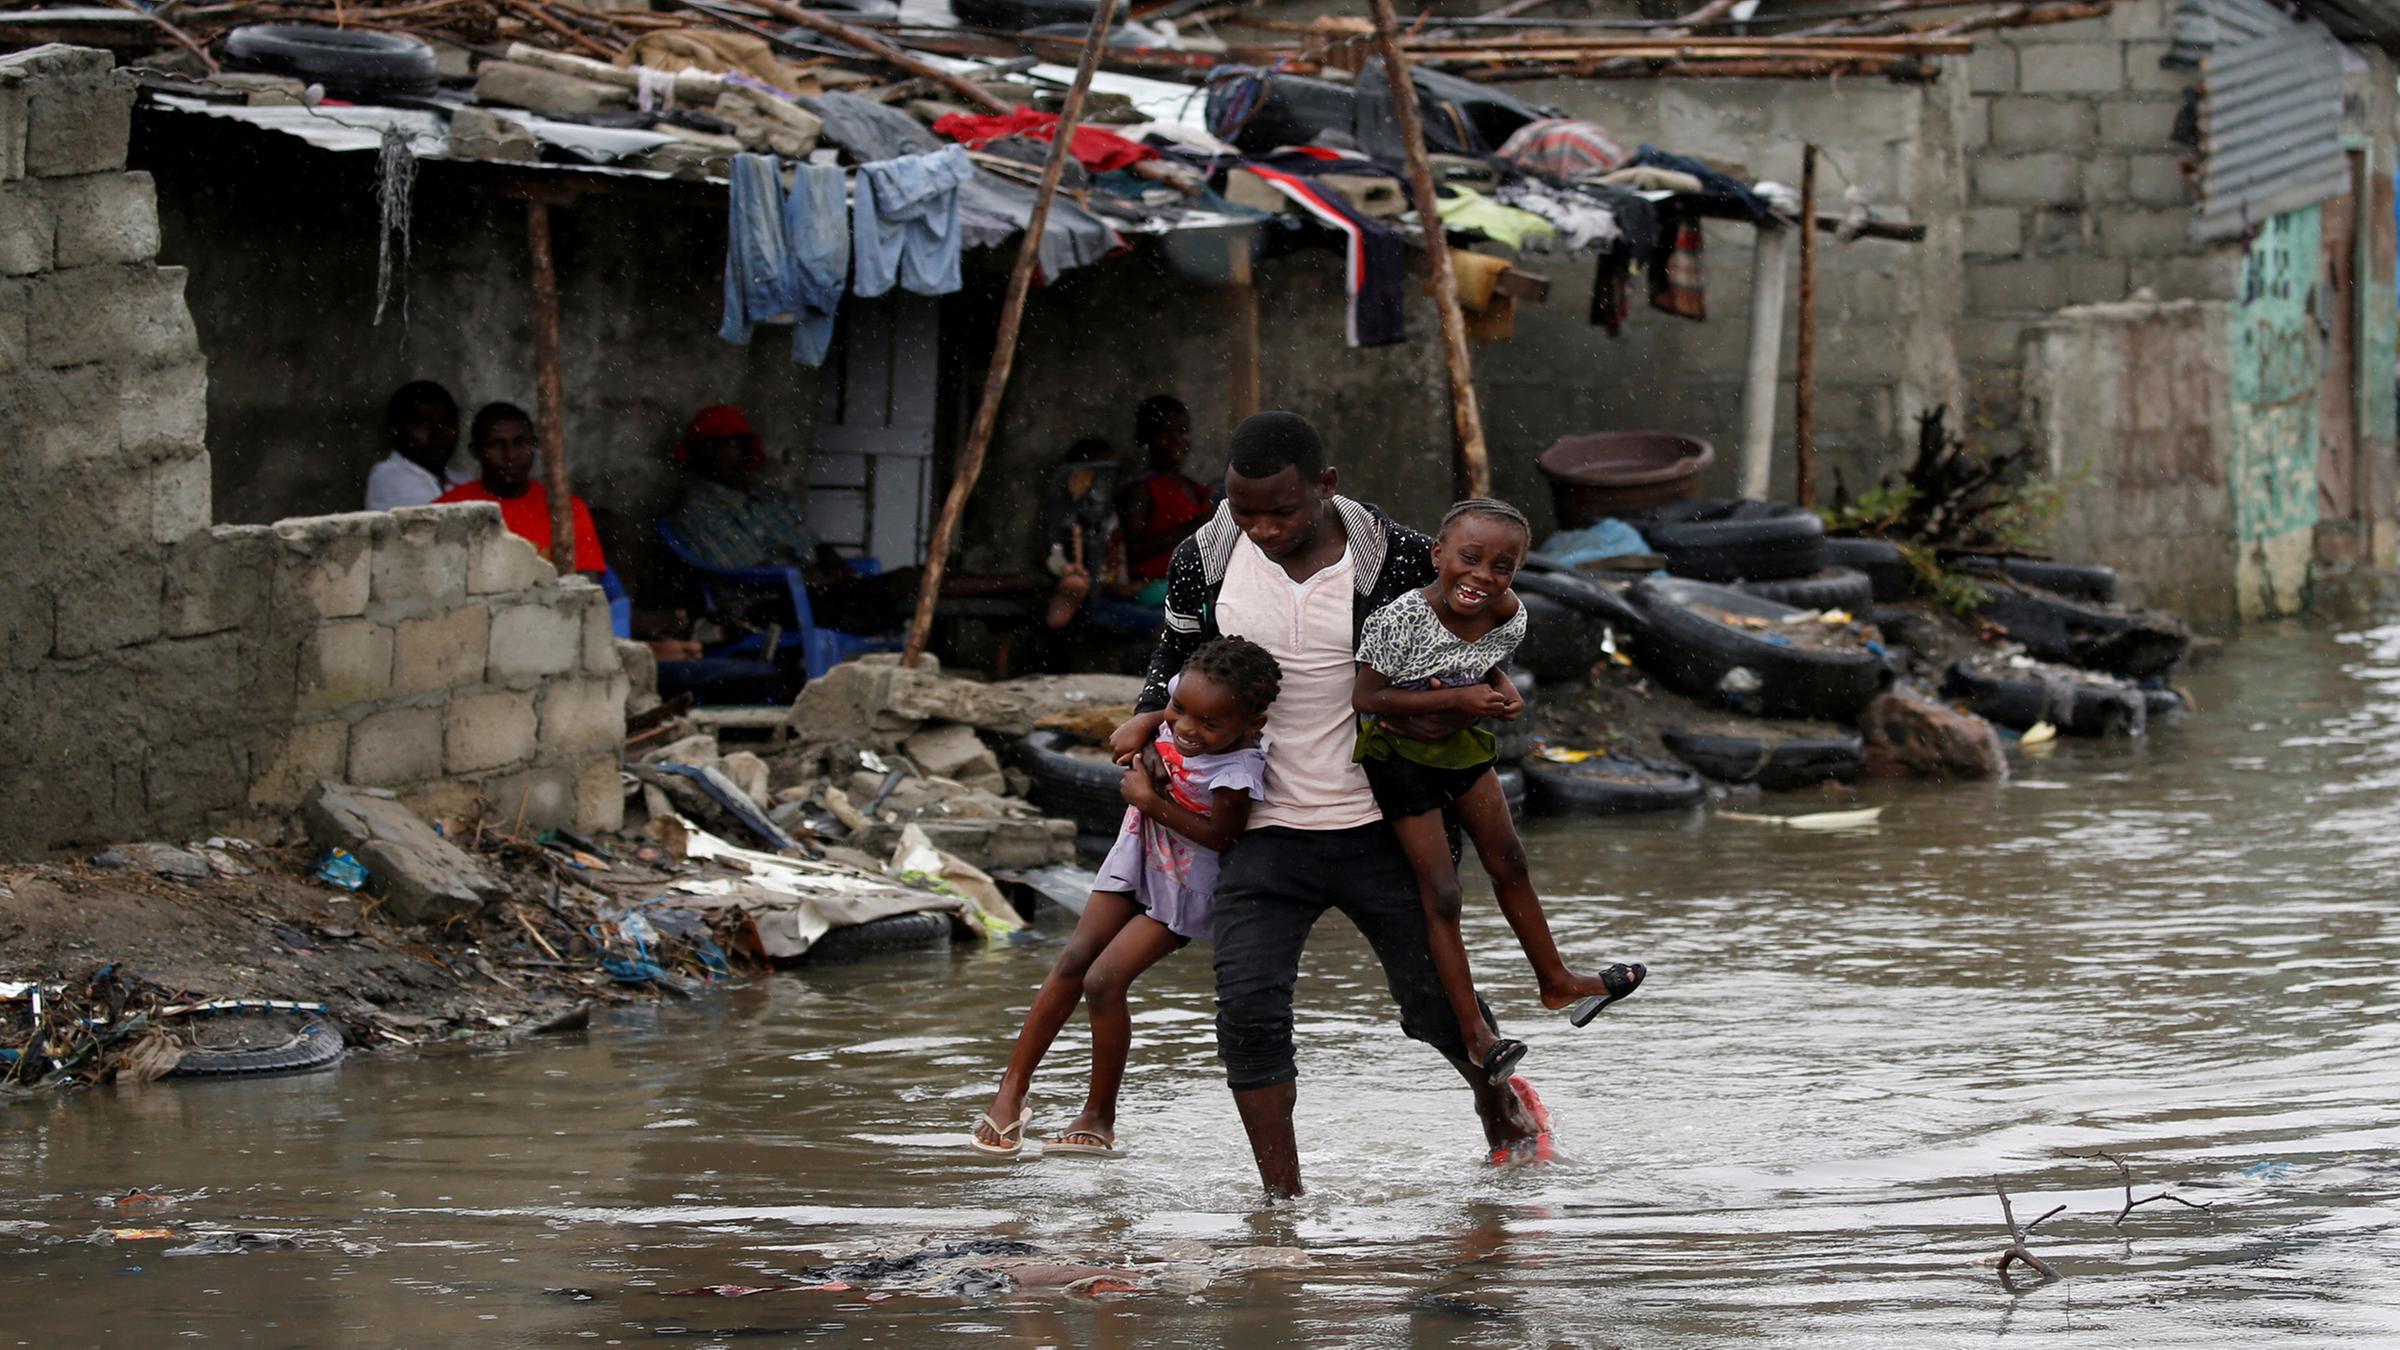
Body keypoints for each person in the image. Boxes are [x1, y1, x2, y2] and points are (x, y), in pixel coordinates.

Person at [1105, 410, 1546, 1199]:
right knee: (1248, 1016)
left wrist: (1483, 697)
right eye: (1245, 511)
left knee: (1435, 1008)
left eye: (1282, 510)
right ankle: (1283, 1208)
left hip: (1384, 820)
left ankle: (1505, 1112)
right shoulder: (1202, 558)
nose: (1263, 528)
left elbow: (1474, 632)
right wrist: (1147, 710)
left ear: (1326, 488)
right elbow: (1172, 655)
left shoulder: (1403, 556)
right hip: (1261, 830)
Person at [1352, 496, 1645, 1085]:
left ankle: (1556, 981)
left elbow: (1482, 663)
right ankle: (1477, 1035)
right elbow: (1368, 699)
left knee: (1510, 861)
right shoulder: (1399, 618)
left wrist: (1503, 690)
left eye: (1502, 566)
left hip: (1460, 747)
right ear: (1438, 555)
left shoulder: (1508, 614)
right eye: (1470, 558)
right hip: (1400, 758)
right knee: (1442, 893)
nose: (1483, 576)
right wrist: (1454, 700)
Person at [969, 637, 1278, 1159]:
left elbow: (1223, 837)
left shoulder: (1237, 772)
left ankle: (1098, 1116)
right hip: (1137, 854)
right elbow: (1151, 723)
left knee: (1104, 981)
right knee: (1072, 960)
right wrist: (1146, 722)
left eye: (1209, 724)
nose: (1185, 729)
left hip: (1183, 886)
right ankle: (1011, 1092)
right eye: (1181, 710)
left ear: (1252, 726)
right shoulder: (1176, 712)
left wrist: (1149, 801)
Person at [664, 404, 906, 634]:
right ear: (696, 455)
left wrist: (834, 565)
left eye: (729, 443)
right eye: (709, 446)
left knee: (900, 590)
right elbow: (747, 570)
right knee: (896, 593)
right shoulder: (697, 510)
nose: (718, 453)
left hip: (817, 593)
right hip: (764, 606)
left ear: (746, 449)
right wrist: (809, 579)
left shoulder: (768, 498)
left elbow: (811, 543)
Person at [435, 402, 607, 575]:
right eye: (497, 444)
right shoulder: (447, 510)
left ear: (534, 445)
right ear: (476, 451)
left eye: (520, 443)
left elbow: (585, 588)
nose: (510, 455)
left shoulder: (567, 510)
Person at [1119, 395, 1211, 599]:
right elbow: (1132, 552)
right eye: (1164, 433)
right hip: (1156, 586)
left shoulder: (1194, 487)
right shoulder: (1142, 490)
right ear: (1145, 440)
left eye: (1182, 431)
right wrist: (1194, 528)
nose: (1176, 440)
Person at [364, 380, 466, 511]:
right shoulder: (389, 477)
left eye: (446, 421)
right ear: (396, 430)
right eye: (424, 423)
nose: (439, 433)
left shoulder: (457, 479)